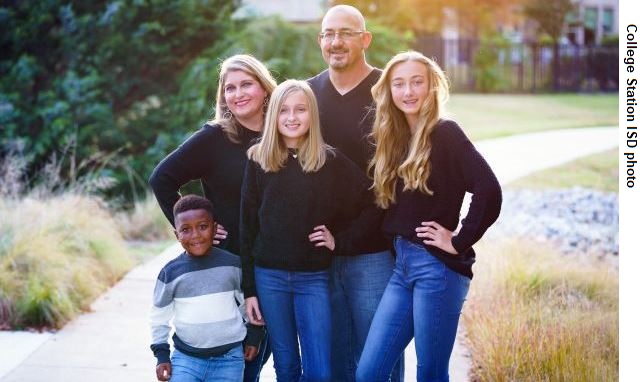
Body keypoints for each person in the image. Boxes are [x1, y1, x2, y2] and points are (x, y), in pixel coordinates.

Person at [356, 51, 502, 382]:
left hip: (436, 269)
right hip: (402, 268)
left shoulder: (446, 132)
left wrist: (460, 240)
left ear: (432, 86)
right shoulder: (394, 139)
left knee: (431, 374)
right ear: (389, 91)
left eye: (416, 82)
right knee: (369, 372)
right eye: (399, 84)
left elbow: (488, 190)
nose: (408, 91)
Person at [149, 54, 277, 382]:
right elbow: (161, 179)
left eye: (246, 84)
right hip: (233, 268)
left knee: (280, 360)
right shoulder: (214, 138)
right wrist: (195, 232)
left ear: (265, 88)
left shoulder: (284, 130)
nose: (237, 93)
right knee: (244, 363)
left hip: (282, 265)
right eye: (229, 88)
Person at [240, 80, 376, 382]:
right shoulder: (259, 160)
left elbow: (373, 201)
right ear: (273, 115)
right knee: (286, 367)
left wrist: (339, 241)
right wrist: (249, 289)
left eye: (300, 109)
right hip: (269, 278)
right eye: (284, 110)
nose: (292, 117)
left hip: (313, 278)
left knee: (320, 371)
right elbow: (247, 226)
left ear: (311, 114)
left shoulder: (329, 161)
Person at [307, 5, 404, 381]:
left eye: (346, 33)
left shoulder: (388, 91)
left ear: (365, 39)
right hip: (320, 252)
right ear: (320, 42)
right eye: (328, 34)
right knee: (333, 356)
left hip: (375, 251)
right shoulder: (309, 94)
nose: (336, 42)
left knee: (380, 356)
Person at [150, 195, 265, 382]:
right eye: (186, 230)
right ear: (176, 234)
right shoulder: (170, 273)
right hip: (186, 359)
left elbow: (248, 305)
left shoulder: (233, 265)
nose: (195, 235)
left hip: (229, 359)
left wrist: (254, 337)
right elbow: (158, 318)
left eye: (203, 227)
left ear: (214, 228)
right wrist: (162, 355)